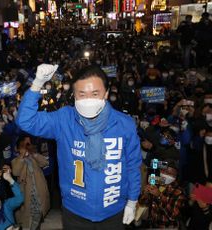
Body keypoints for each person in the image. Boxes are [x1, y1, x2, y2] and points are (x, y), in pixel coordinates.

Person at [16, 64, 142, 229]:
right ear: (74, 95)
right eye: (82, 94)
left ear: (106, 93)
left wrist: (132, 201)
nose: (88, 99)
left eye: (95, 93)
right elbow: (25, 120)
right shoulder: (64, 119)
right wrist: (37, 83)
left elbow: (133, 165)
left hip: (113, 210)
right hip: (75, 212)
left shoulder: (124, 124)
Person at [12, 135, 50, 229]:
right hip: (28, 195)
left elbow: (45, 162)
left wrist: (34, 153)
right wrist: (21, 155)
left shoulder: (33, 157)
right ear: (18, 148)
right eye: (24, 145)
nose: (27, 147)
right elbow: (16, 171)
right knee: (29, 218)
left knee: (38, 216)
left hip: (39, 193)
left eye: (28, 144)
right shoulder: (16, 160)